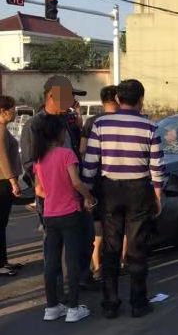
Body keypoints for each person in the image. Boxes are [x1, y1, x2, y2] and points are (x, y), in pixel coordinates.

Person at [81, 79, 164, 319]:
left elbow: (91, 162)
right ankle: (138, 302)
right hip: (138, 189)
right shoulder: (149, 127)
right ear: (141, 100)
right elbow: (157, 166)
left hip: (109, 190)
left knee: (110, 246)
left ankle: (110, 303)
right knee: (137, 246)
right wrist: (158, 195)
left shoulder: (101, 124)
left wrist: (87, 193)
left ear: (118, 99)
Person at [20, 76, 96, 291]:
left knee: (85, 237)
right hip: (52, 197)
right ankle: (58, 290)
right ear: (51, 96)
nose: (72, 102)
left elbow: (76, 154)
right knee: (54, 246)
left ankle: (82, 277)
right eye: (69, 97)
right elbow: (29, 162)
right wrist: (44, 185)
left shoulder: (68, 122)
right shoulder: (34, 125)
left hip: (76, 192)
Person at [33, 114, 95, 322]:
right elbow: (77, 182)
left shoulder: (39, 158)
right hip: (70, 212)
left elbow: (39, 190)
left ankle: (51, 306)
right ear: (58, 133)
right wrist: (88, 197)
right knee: (72, 259)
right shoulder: (66, 154)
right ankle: (73, 307)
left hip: (49, 214)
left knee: (51, 262)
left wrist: (53, 193)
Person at [80, 85, 119, 281]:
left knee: (96, 222)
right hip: (116, 180)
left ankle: (96, 264)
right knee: (114, 221)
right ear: (118, 98)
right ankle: (120, 261)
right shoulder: (123, 121)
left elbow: (82, 149)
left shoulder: (92, 122)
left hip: (94, 178)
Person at [0, 96, 22, 277]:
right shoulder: (0, 130)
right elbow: (3, 158)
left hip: (4, 182)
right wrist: (13, 181)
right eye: (12, 109)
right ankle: (1, 264)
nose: (15, 112)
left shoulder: (3, 129)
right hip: (2, 182)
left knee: (2, 223)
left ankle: (3, 261)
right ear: (3, 111)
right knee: (0, 223)